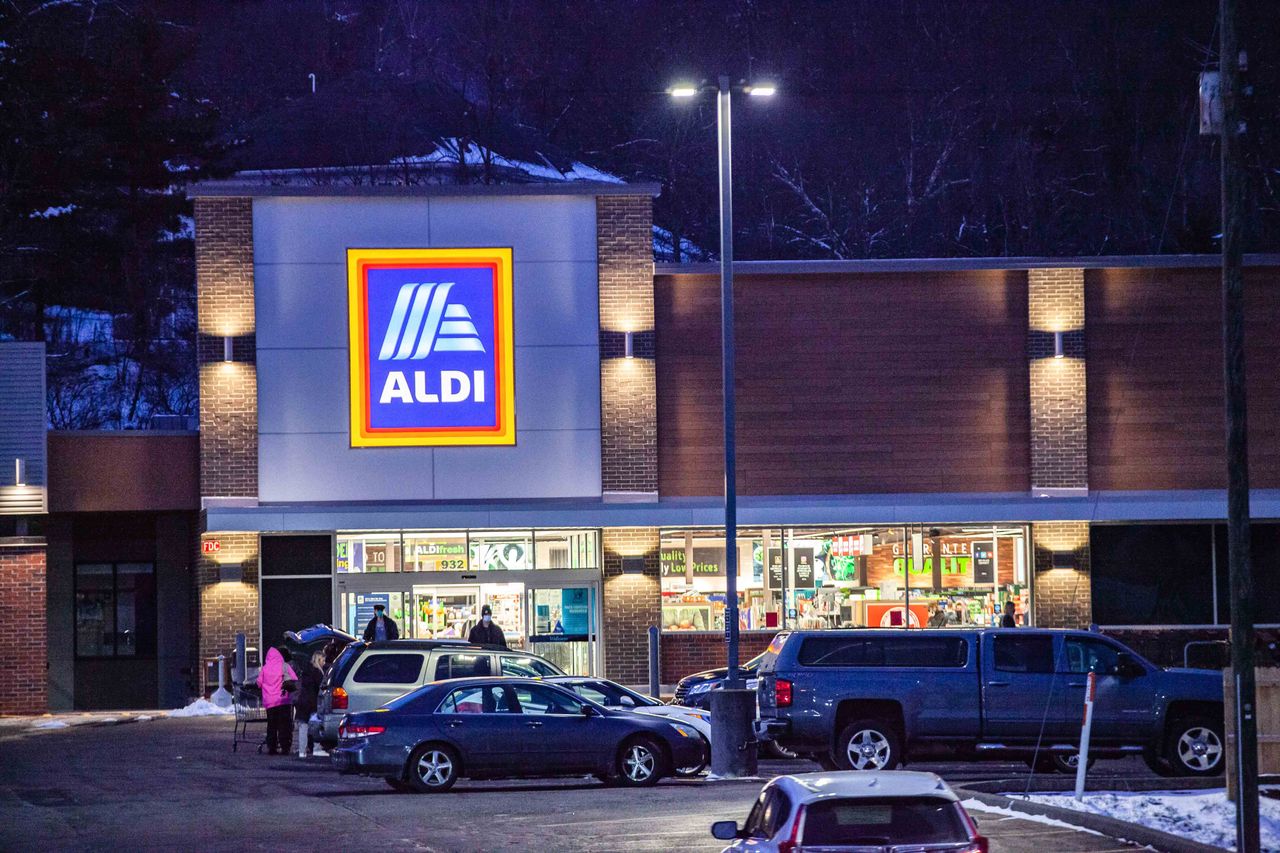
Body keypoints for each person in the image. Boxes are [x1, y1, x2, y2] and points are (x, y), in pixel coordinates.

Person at [257, 646, 297, 755]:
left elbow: (259, 683)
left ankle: (272, 747)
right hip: (283, 700)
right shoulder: (285, 666)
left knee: (272, 725)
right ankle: (285, 747)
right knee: (285, 725)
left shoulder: (264, 668)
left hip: (270, 702)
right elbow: (294, 678)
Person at [293, 650, 325, 758]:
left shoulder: (306, 672)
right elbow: (321, 688)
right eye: (323, 660)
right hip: (313, 703)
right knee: (316, 726)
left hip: (303, 702)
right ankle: (316, 748)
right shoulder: (318, 673)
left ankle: (302, 751)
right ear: (319, 660)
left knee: (303, 727)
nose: (324, 663)